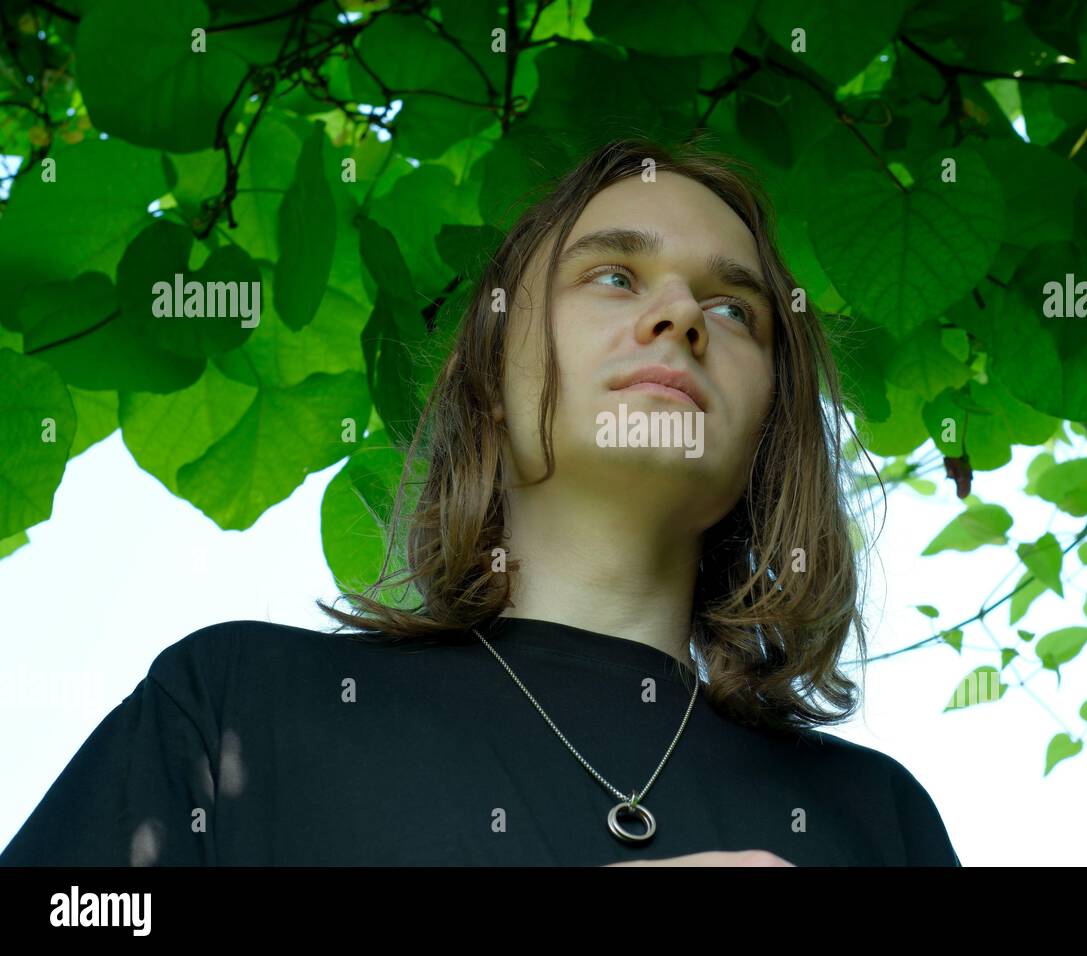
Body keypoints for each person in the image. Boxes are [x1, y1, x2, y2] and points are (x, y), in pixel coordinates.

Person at [0, 136, 960, 867]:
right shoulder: (236, 710)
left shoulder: (877, 821)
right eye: (614, 276)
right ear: (491, 381)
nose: (677, 319)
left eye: (732, 309)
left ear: (768, 430)